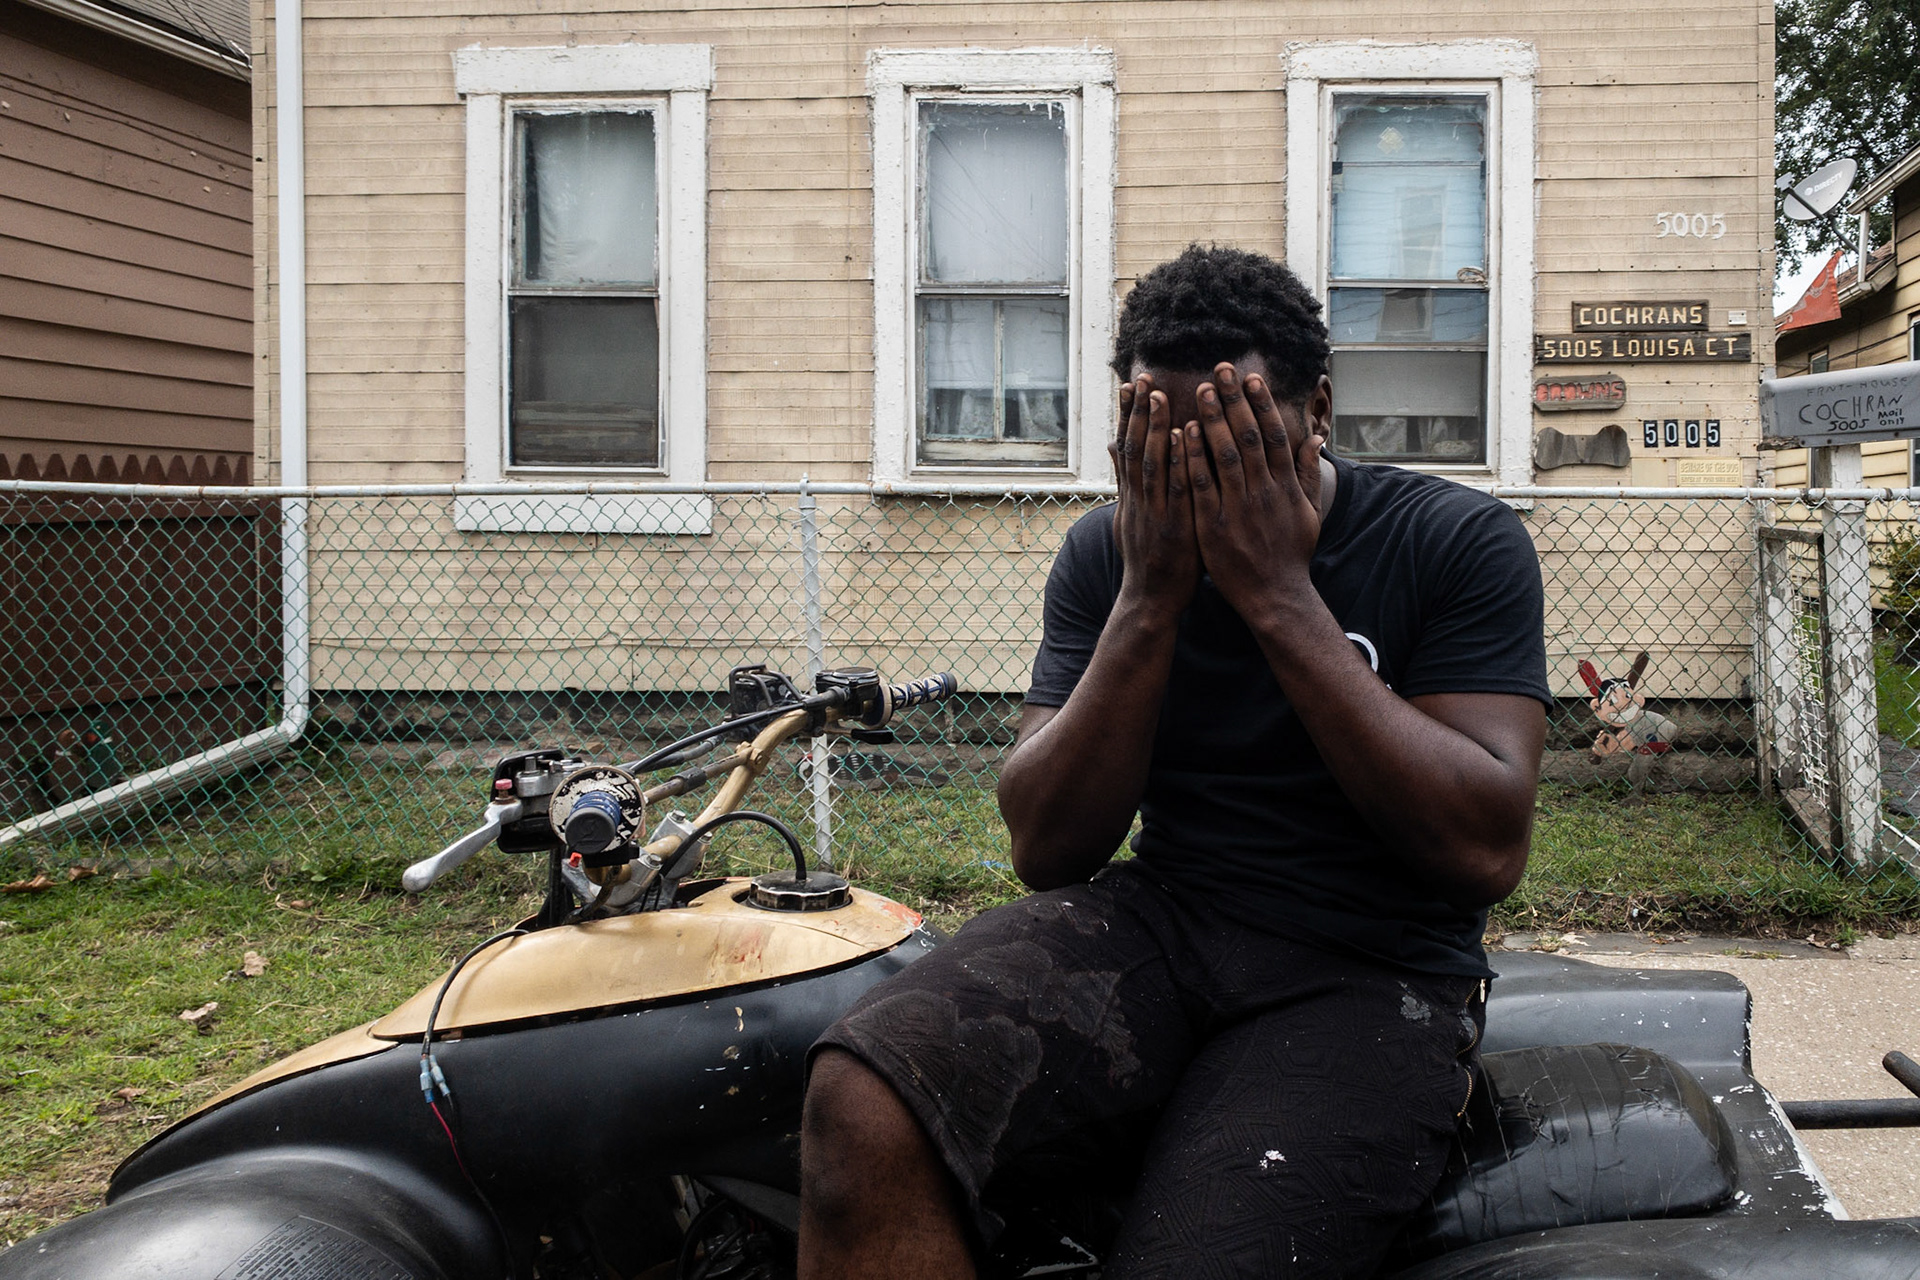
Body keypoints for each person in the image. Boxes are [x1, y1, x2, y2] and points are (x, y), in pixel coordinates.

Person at [797, 244, 1550, 1279]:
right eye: (1164, 446)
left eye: (1238, 441)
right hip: (1167, 920)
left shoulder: (1451, 540)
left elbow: (1482, 850)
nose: (1200, 478)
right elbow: (1047, 846)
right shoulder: (1109, 555)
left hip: (1375, 966)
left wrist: (1277, 593)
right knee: (865, 1096)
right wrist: (1149, 597)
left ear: (1319, 411)